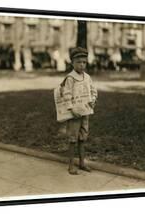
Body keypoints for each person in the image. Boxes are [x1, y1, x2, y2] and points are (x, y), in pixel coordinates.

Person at [62, 47, 98, 175]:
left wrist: (93, 99)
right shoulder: (70, 78)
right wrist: (71, 108)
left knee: (83, 137)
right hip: (74, 114)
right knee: (73, 139)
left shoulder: (87, 77)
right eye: (79, 62)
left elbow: (93, 91)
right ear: (72, 63)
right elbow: (66, 94)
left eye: (84, 62)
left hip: (85, 112)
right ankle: (71, 165)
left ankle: (82, 162)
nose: (82, 65)